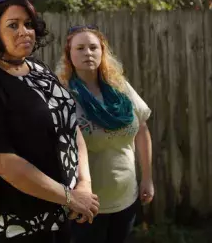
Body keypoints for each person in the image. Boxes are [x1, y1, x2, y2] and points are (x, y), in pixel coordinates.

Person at [0, 0, 100, 242]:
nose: (25, 31)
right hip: (20, 224)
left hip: (60, 214)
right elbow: (3, 162)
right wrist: (70, 196)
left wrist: (84, 184)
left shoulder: (39, 70)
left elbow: (70, 126)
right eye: (13, 25)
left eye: (29, 24)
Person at [54, 24, 154, 243]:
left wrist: (147, 177)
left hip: (126, 197)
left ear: (102, 52)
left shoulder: (120, 89)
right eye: (79, 48)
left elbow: (142, 129)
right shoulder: (62, 96)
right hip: (85, 204)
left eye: (93, 47)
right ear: (69, 55)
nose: (88, 53)